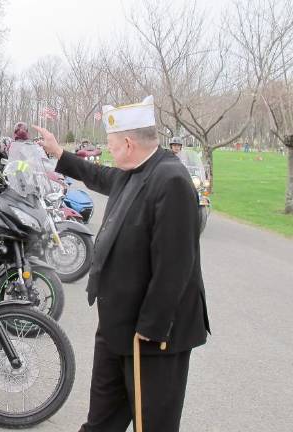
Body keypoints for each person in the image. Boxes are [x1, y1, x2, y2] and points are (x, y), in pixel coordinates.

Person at [34, 95, 210, 432]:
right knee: (101, 421)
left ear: (128, 143)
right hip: (116, 326)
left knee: (152, 424)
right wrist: (58, 153)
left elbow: (175, 267)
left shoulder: (170, 180)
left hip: (152, 336)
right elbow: (98, 175)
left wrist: (149, 330)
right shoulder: (134, 171)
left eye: (112, 145)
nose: (108, 151)